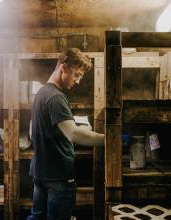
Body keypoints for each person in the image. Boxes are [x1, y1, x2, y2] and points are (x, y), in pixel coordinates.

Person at [27, 48, 105, 220]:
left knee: (37, 217)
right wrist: (108, 140)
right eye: (76, 75)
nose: (77, 81)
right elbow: (73, 134)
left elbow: (57, 129)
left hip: (41, 172)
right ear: (63, 67)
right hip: (58, 175)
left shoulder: (42, 93)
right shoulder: (56, 97)